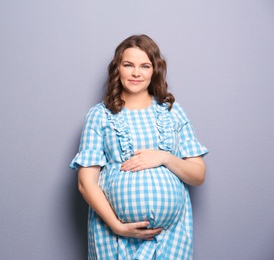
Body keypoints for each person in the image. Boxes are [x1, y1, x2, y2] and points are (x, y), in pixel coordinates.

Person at [70, 34, 209, 259]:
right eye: (128, 65)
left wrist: (164, 157)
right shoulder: (99, 115)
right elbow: (86, 183)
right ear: (118, 69)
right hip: (113, 235)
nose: (136, 73)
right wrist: (117, 226)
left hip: (170, 237)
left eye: (145, 66)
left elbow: (198, 175)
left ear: (154, 70)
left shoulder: (172, 112)